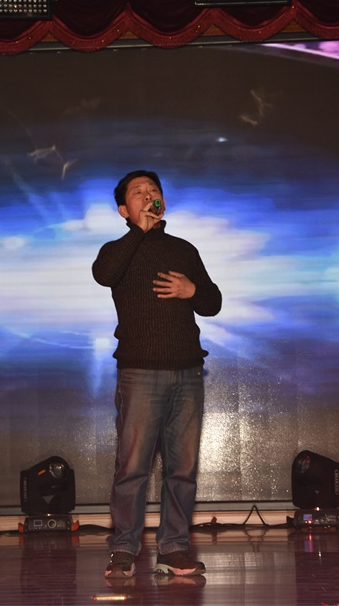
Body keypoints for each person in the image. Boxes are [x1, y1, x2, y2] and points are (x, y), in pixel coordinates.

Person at [92, 170, 223, 579]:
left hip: (187, 371)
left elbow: (213, 302)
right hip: (140, 373)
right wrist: (139, 232)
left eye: (153, 190)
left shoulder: (184, 249)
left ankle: (174, 548)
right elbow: (104, 275)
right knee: (132, 468)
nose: (148, 195)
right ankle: (124, 548)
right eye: (138, 192)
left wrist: (192, 291)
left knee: (181, 469)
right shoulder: (117, 249)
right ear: (123, 209)